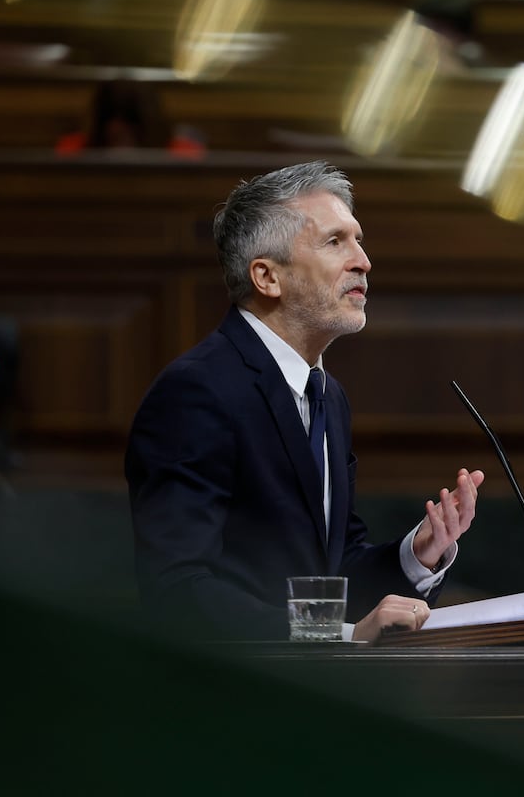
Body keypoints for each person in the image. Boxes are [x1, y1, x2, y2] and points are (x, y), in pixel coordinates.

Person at [125, 160, 484, 641]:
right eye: (335, 242)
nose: (363, 261)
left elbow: (331, 577)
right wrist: (339, 637)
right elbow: (177, 591)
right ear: (267, 277)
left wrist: (418, 554)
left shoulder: (328, 396)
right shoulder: (196, 392)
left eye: (358, 239)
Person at [56, 79, 205, 158]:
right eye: (110, 117)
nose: (117, 127)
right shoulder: (72, 153)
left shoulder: (184, 157)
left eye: (130, 120)